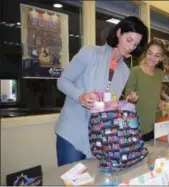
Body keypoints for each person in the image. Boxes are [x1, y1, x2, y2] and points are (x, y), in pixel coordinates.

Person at [55, 16, 148, 166]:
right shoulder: (90, 53)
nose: (131, 47)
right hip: (73, 132)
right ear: (118, 33)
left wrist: (124, 102)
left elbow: (108, 101)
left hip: (99, 138)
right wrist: (81, 96)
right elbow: (62, 81)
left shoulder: (125, 71)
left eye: (135, 44)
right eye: (129, 40)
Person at [125, 39, 167, 142]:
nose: (152, 58)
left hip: (156, 126)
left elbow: (155, 93)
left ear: (161, 58)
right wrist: (131, 98)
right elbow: (127, 97)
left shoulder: (160, 73)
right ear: (146, 53)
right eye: (150, 53)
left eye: (157, 56)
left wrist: (160, 102)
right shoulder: (135, 71)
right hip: (139, 129)